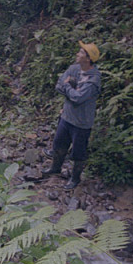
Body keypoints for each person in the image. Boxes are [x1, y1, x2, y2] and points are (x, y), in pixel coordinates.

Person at [42, 41, 102, 189]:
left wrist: (68, 87)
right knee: (59, 144)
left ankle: (75, 179)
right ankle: (55, 168)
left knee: (78, 153)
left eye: (81, 52)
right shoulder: (74, 68)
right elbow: (59, 85)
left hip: (81, 123)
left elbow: (78, 98)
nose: (77, 54)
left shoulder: (93, 80)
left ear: (88, 59)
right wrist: (71, 91)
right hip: (66, 117)